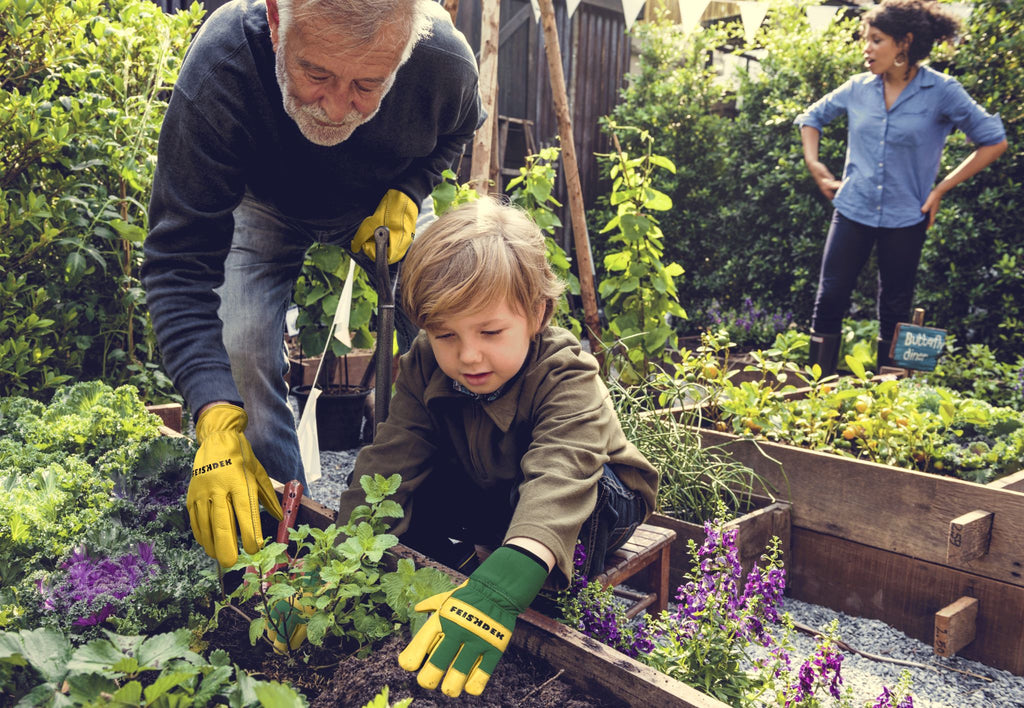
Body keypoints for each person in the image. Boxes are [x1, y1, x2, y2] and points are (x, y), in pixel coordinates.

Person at [140, 0, 482, 568]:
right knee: (241, 350)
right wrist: (213, 415)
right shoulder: (225, 63)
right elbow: (178, 262)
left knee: (462, 311)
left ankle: (466, 516)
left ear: (403, 55)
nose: (333, 106)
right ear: (277, 21)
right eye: (315, 73)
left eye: (368, 84)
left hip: (379, 202)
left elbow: (457, 129)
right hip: (264, 203)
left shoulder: (442, 61)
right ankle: (282, 544)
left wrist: (410, 190)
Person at [336, 197, 659, 697]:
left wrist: (508, 580)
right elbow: (391, 457)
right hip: (494, 482)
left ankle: (542, 592)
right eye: (445, 334)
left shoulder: (566, 372)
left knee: (573, 498)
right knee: (412, 489)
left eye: (490, 331)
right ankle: (448, 581)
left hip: (594, 496)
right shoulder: (425, 364)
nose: (468, 355)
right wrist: (336, 566)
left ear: (536, 314)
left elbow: (562, 472)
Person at [795, 0, 1007, 375]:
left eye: (876, 40)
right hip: (853, 209)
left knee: (894, 309)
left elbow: (993, 140)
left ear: (904, 43)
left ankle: (887, 403)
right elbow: (812, 117)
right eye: (866, 39)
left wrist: (940, 188)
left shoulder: (941, 91)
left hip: (907, 216)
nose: (867, 48)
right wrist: (815, 163)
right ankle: (815, 393)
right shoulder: (857, 88)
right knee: (829, 299)